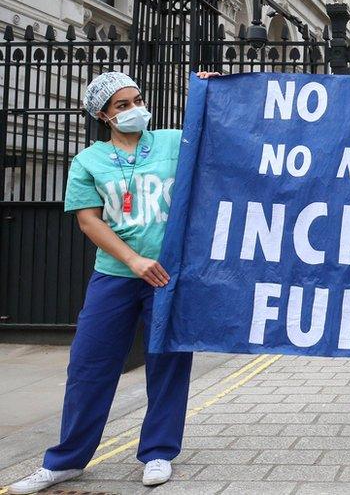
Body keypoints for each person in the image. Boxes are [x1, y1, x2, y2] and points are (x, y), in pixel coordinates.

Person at [9, 70, 221, 494]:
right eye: (122, 106)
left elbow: (217, 131)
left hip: (169, 276)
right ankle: (66, 461)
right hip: (115, 275)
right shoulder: (88, 161)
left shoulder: (169, 141)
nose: (134, 110)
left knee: (168, 361)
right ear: (104, 115)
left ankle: (158, 452)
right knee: (89, 364)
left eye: (137, 100)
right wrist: (134, 260)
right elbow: (89, 220)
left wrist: (208, 90)